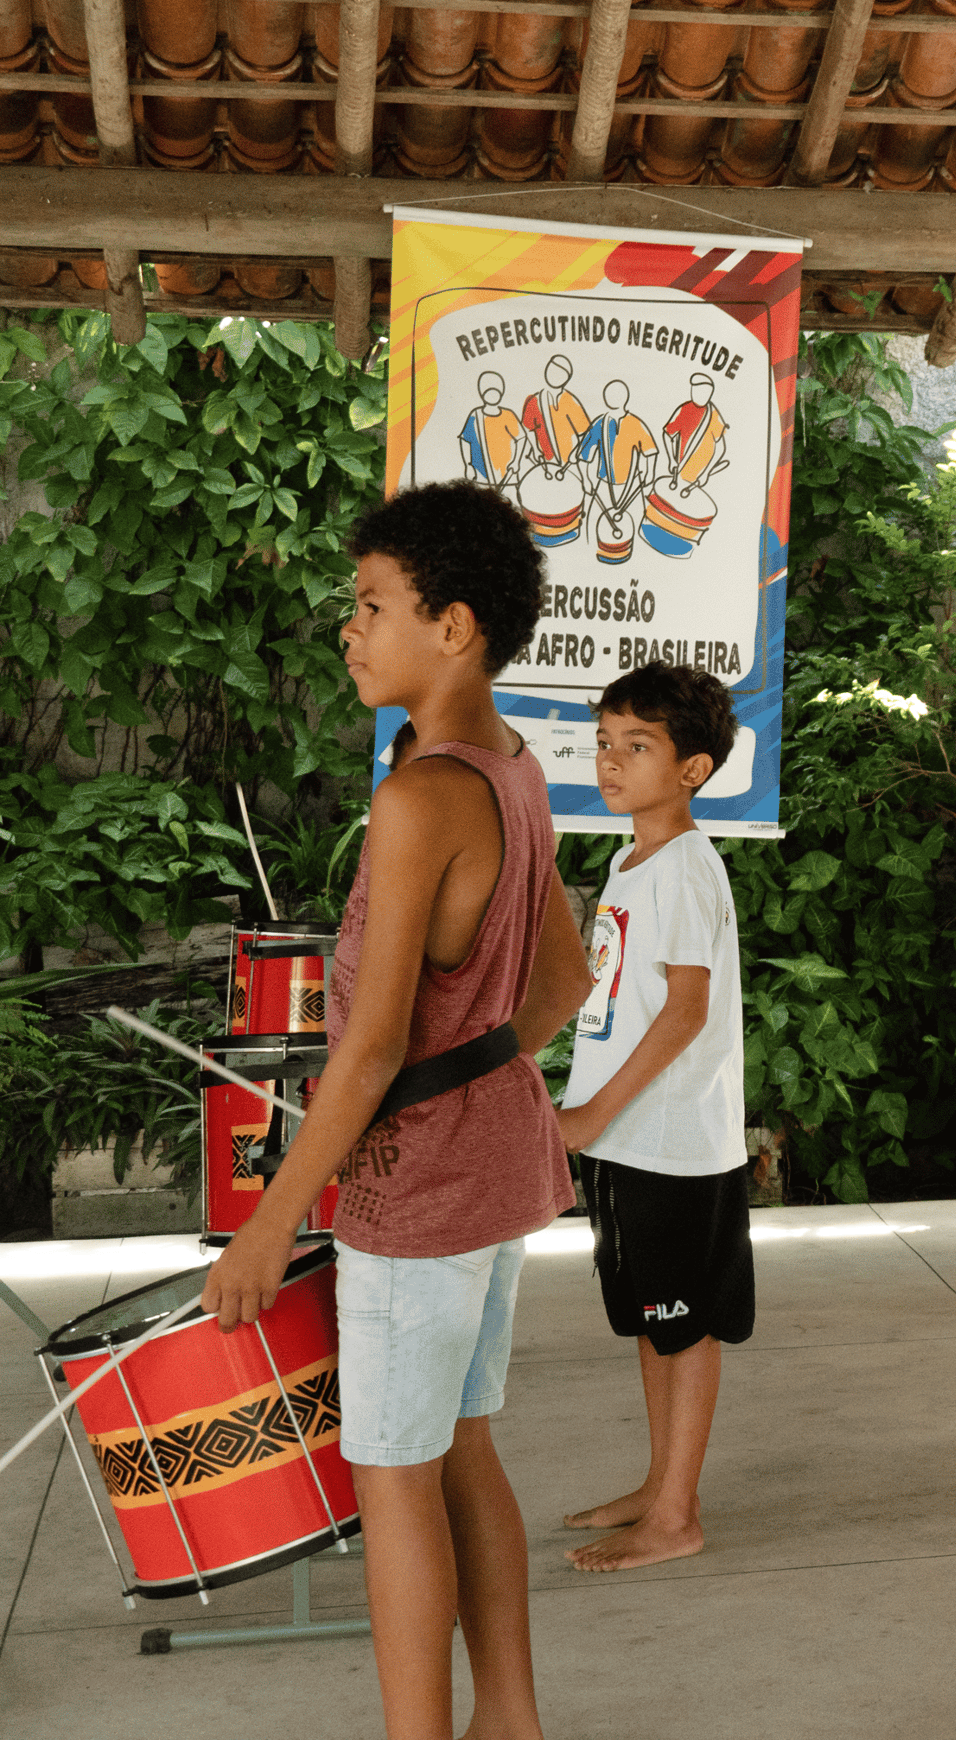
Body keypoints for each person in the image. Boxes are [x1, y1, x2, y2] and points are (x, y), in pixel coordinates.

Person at [199, 479, 594, 1740]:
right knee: (462, 1447)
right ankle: (511, 1722)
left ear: (455, 627)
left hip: (418, 1193)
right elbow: (562, 981)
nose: (349, 630)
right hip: (492, 1165)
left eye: (372, 606)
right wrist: (476, 1075)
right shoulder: (515, 765)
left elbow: (365, 1057)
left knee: (394, 1477)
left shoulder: (420, 797)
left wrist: (270, 1223)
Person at [556, 662, 753, 1573]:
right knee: (650, 1316)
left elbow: (685, 1009)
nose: (611, 760)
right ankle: (661, 1483)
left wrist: (594, 1109)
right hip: (629, 1137)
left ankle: (677, 1514)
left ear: (693, 769)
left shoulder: (683, 867)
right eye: (604, 741)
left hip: (670, 1141)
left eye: (638, 746)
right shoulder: (630, 860)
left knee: (684, 1322)